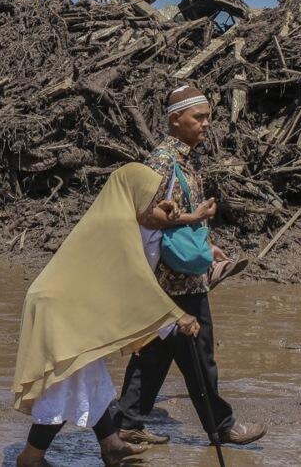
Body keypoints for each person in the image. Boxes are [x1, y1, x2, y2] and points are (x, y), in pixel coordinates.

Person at [12, 163, 200, 467]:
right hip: (60, 311)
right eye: (151, 198)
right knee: (63, 388)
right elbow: (136, 281)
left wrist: (168, 211)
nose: (153, 205)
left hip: (66, 308)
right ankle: (30, 459)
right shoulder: (117, 223)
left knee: (90, 381)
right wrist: (176, 317)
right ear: (134, 192)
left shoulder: (116, 214)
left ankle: (111, 446)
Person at [110, 85, 264, 446]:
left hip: (178, 276)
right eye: (199, 117)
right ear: (175, 119)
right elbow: (145, 217)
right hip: (176, 281)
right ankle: (222, 426)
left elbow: (176, 218)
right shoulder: (162, 162)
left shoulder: (182, 159)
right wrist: (194, 217)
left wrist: (206, 245)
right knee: (199, 355)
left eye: (209, 117)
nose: (207, 124)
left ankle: (127, 423)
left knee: (154, 352)